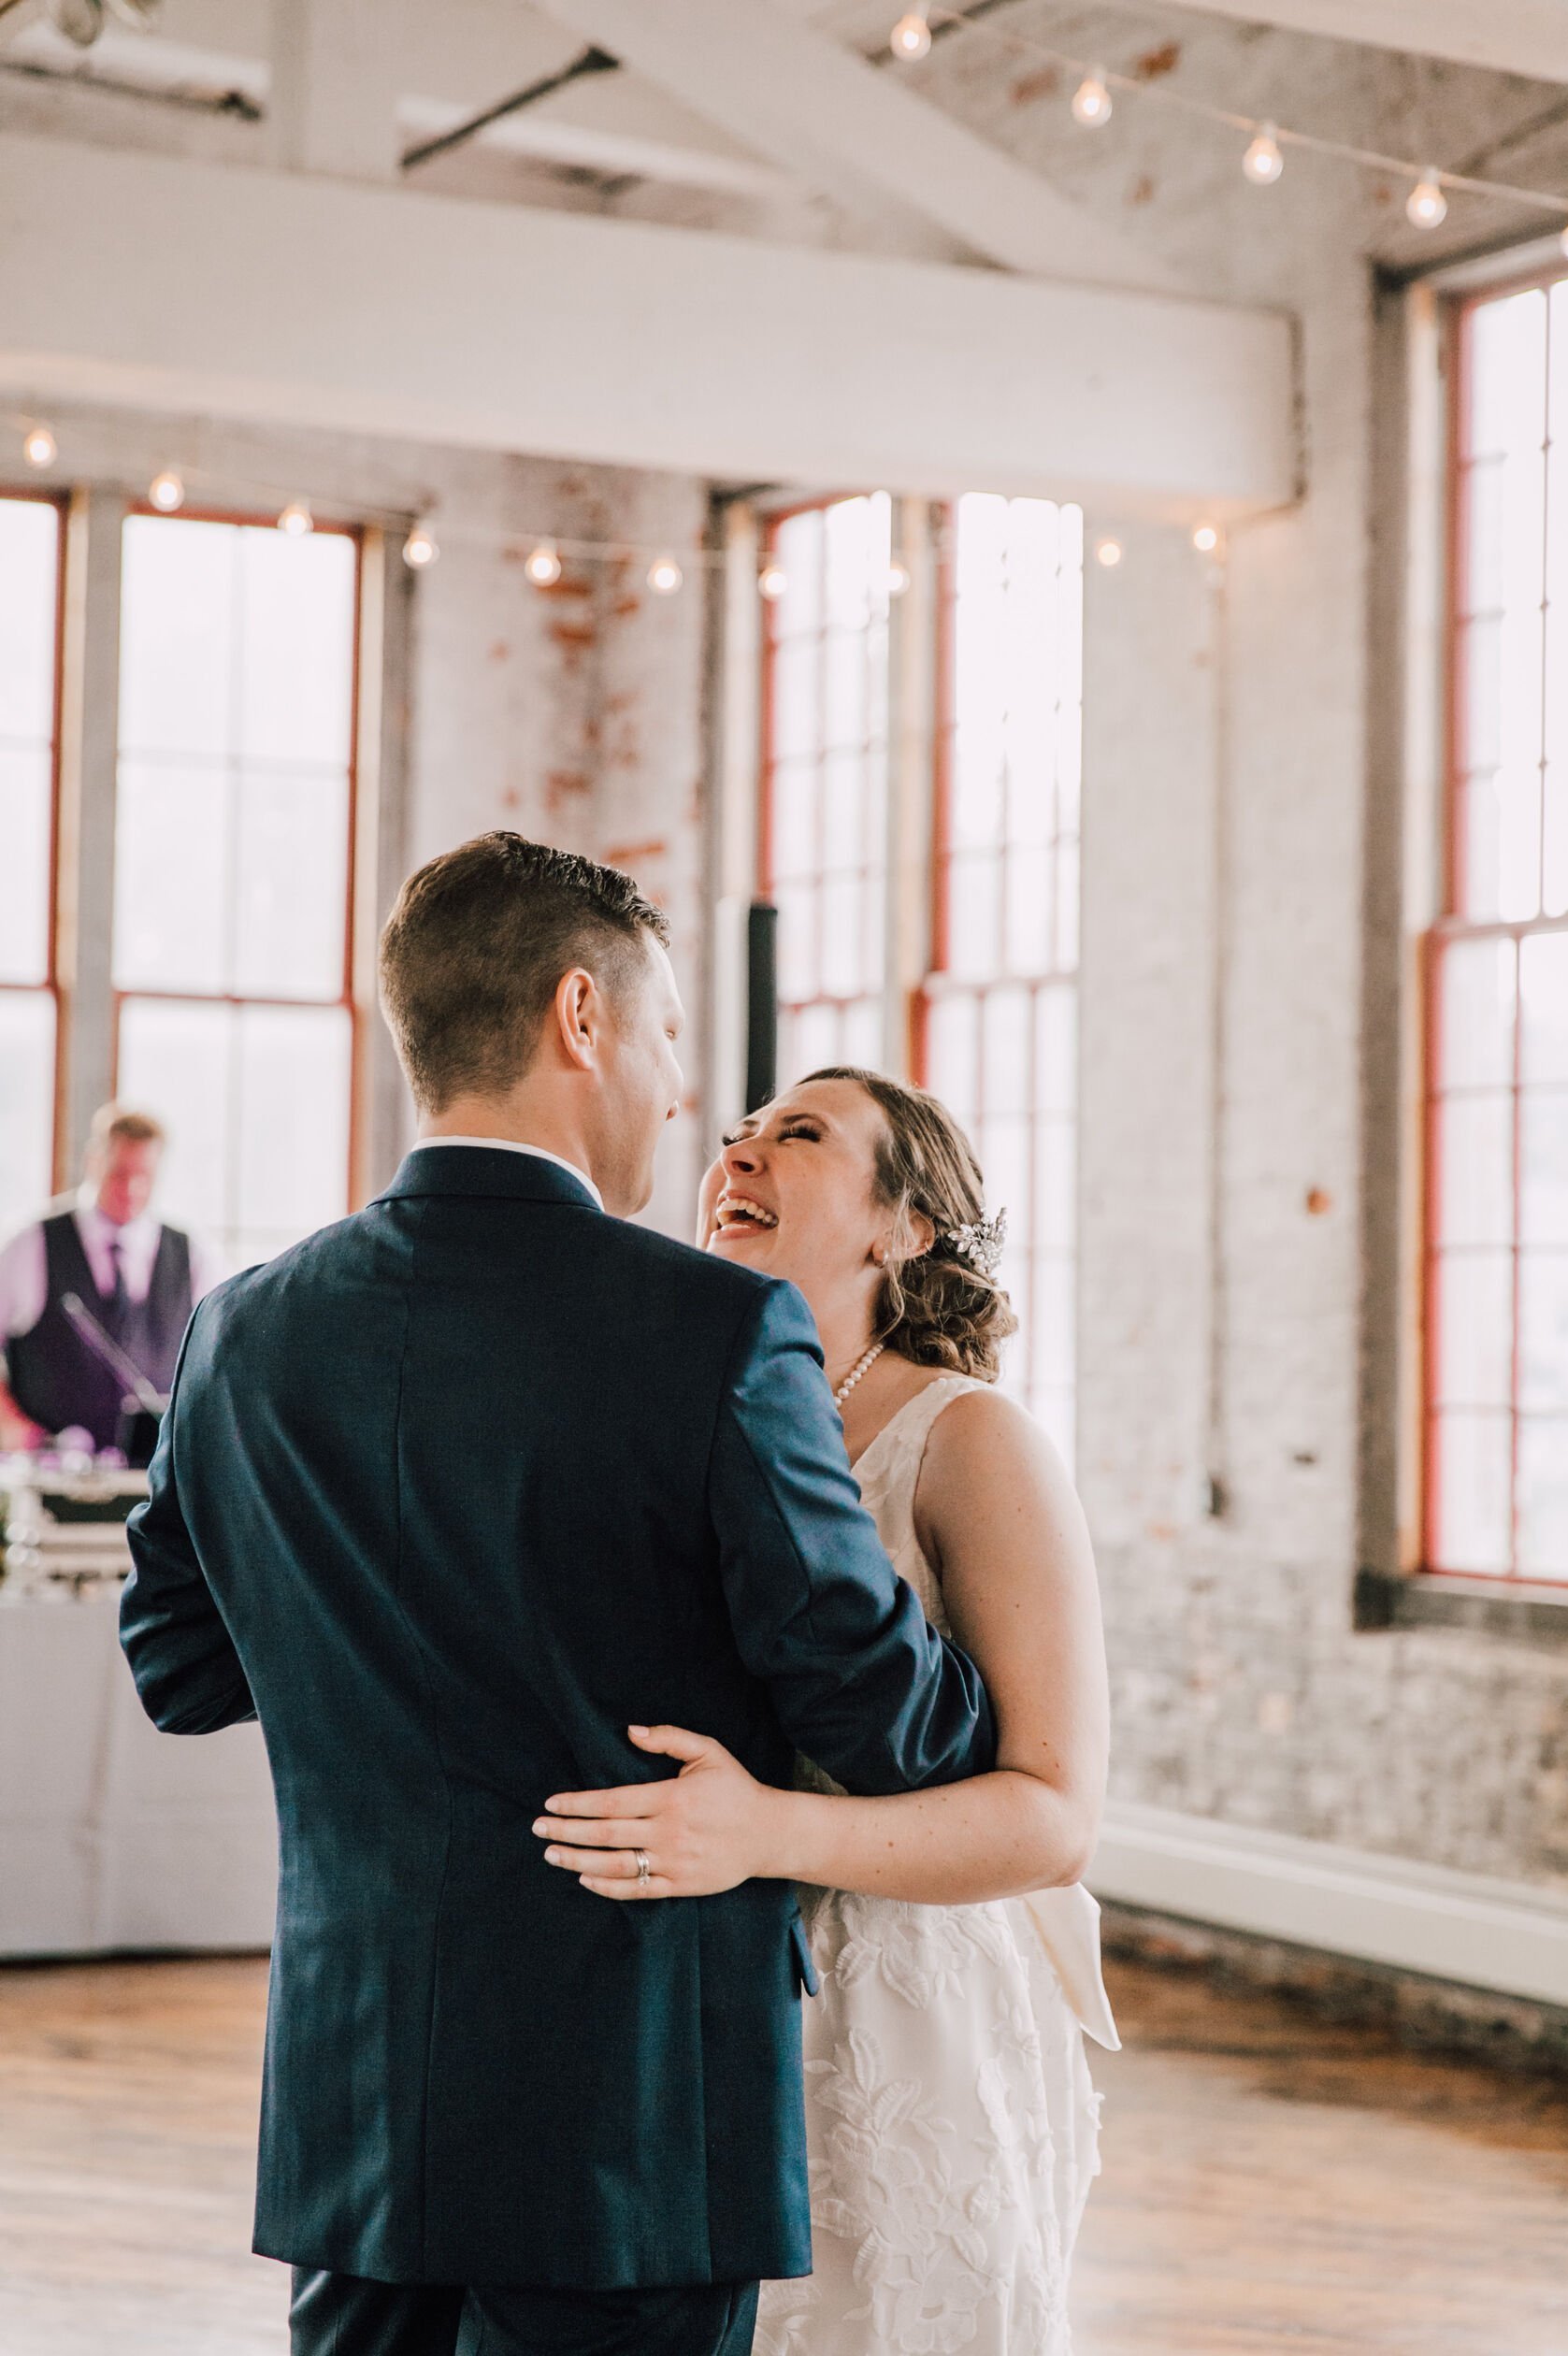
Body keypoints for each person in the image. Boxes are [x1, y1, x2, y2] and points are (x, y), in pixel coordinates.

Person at [117, 834, 997, 2356]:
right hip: (632, 2124)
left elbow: (179, 1668)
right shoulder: (716, 1333)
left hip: (356, 2107)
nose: (675, 1093)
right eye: (666, 1039)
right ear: (581, 1018)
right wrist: (985, 1654)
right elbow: (886, 1723)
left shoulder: (239, 1330)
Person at [532, 1069, 1116, 2356]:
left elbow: (1055, 1816)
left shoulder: (971, 1441)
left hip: (905, 2012)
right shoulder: (662, 1410)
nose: (738, 1155)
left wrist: (763, 1836)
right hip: (688, 1997)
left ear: (901, 1228)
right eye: (735, 1135)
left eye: (797, 1137)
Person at [0, 1105, 222, 1460]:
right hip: (48, 1475)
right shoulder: (31, 1244)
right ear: (93, 1160)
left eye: (144, 1176)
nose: (131, 1188)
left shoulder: (192, 1254)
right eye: (120, 1172)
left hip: (155, 1480)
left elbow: (218, 1362)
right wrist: (16, 1430)